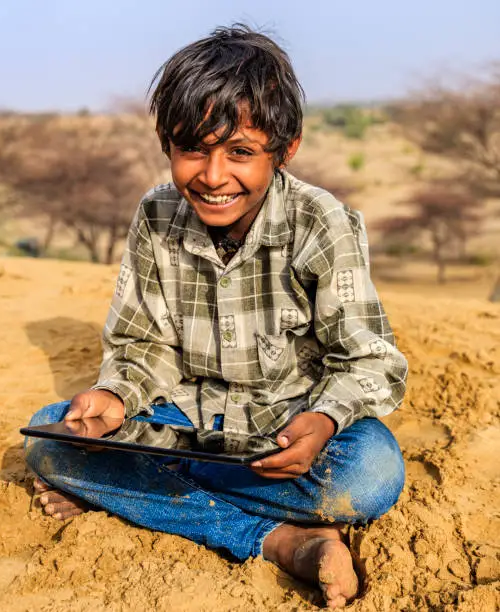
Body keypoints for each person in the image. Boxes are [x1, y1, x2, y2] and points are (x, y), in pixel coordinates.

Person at [25, 24, 408, 609]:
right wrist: (116, 397)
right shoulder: (155, 216)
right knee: (51, 437)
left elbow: (370, 361)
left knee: (373, 476)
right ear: (166, 143)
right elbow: (140, 345)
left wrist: (327, 422)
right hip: (185, 422)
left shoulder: (320, 222)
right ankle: (282, 541)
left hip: (286, 433)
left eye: (240, 152)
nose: (212, 175)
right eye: (192, 149)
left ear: (286, 148)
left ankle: (129, 494)